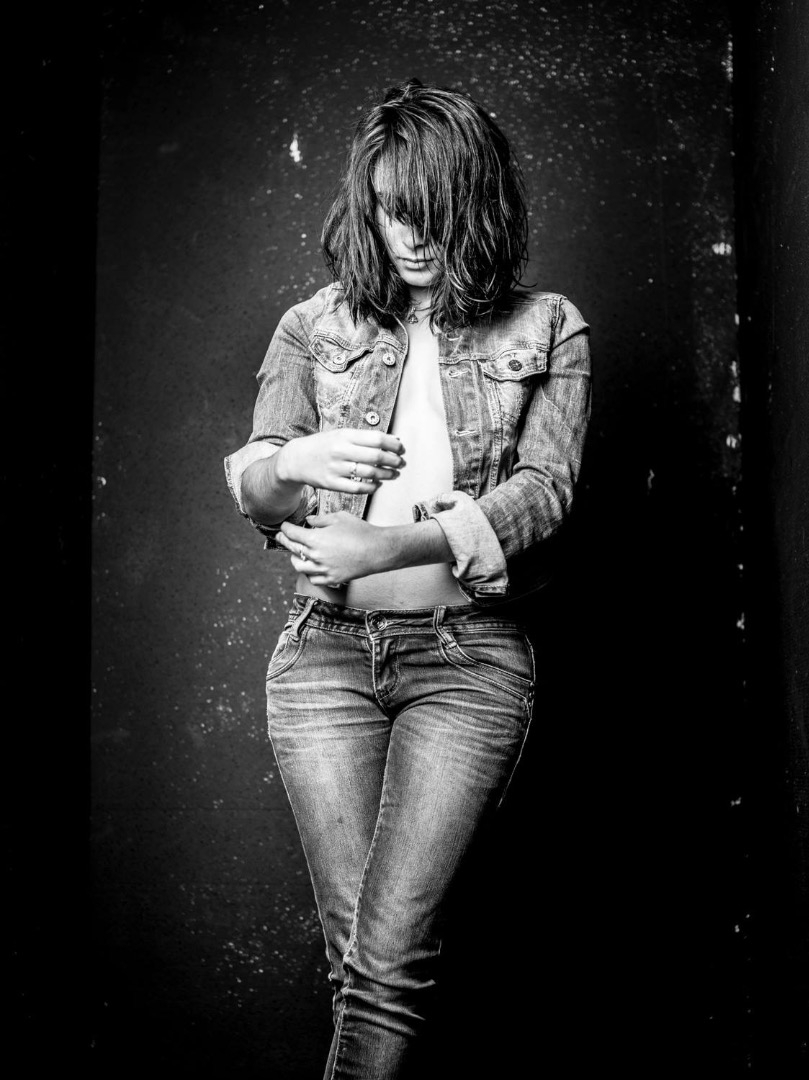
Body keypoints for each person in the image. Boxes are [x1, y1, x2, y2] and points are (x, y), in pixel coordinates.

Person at [224, 78, 591, 1079]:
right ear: (369, 207)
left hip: (468, 662)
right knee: (360, 965)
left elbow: (545, 493)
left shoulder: (547, 326)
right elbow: (256, 487)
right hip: (323, 660)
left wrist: (387, 547)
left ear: (476, 204)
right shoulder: (313, 326)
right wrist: (297, 464)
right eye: (393, 211)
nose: (413, 237)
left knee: (386, 962)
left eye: (433, 212)